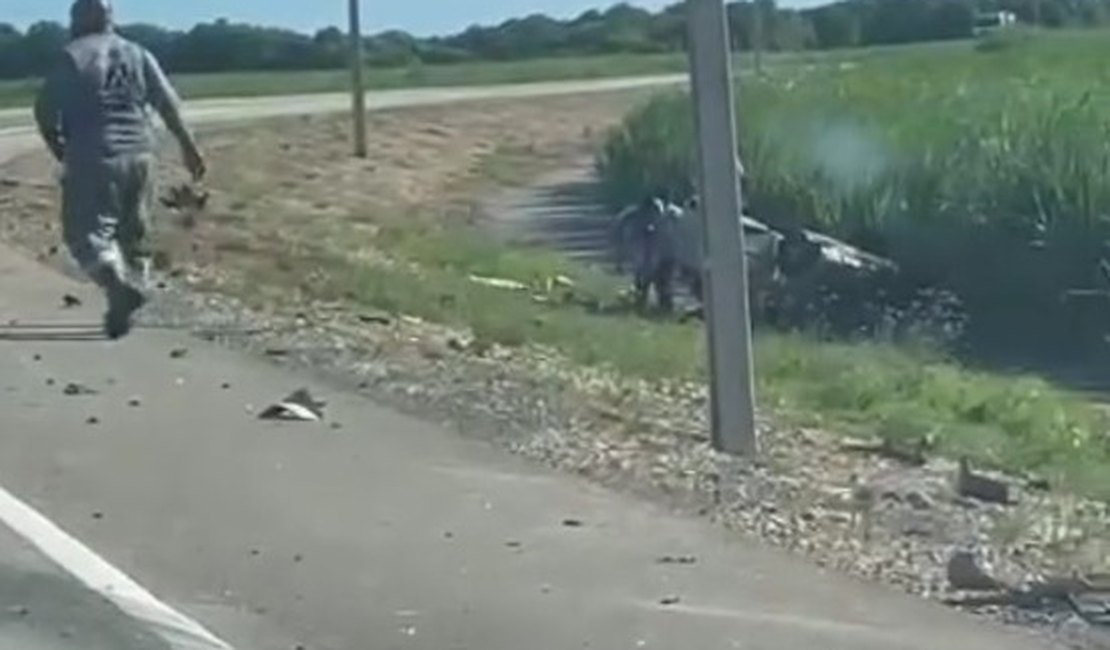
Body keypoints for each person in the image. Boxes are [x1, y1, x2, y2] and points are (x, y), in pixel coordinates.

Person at [34, 0, 206, 340]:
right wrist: (189, 147)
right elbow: (167, 104)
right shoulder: (138, 53)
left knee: (86, 236)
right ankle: (128, 300)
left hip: (93, 153)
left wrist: (61, 151)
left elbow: (45, 112)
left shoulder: (72, 55)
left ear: (78, 19)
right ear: (110, 18)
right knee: (134, 234)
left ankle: (117, 285)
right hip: (141, 152)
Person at [612, 195, 678, 312]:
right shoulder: (631, 219)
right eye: (650, 216)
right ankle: (640, 304)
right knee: (642, 281)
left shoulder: (670, 217)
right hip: (644, 253)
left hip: (665, 255)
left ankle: (665, 309)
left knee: (664, 285)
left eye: (656, 215)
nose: (652, 219)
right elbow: (619, 238)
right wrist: (619, 261)